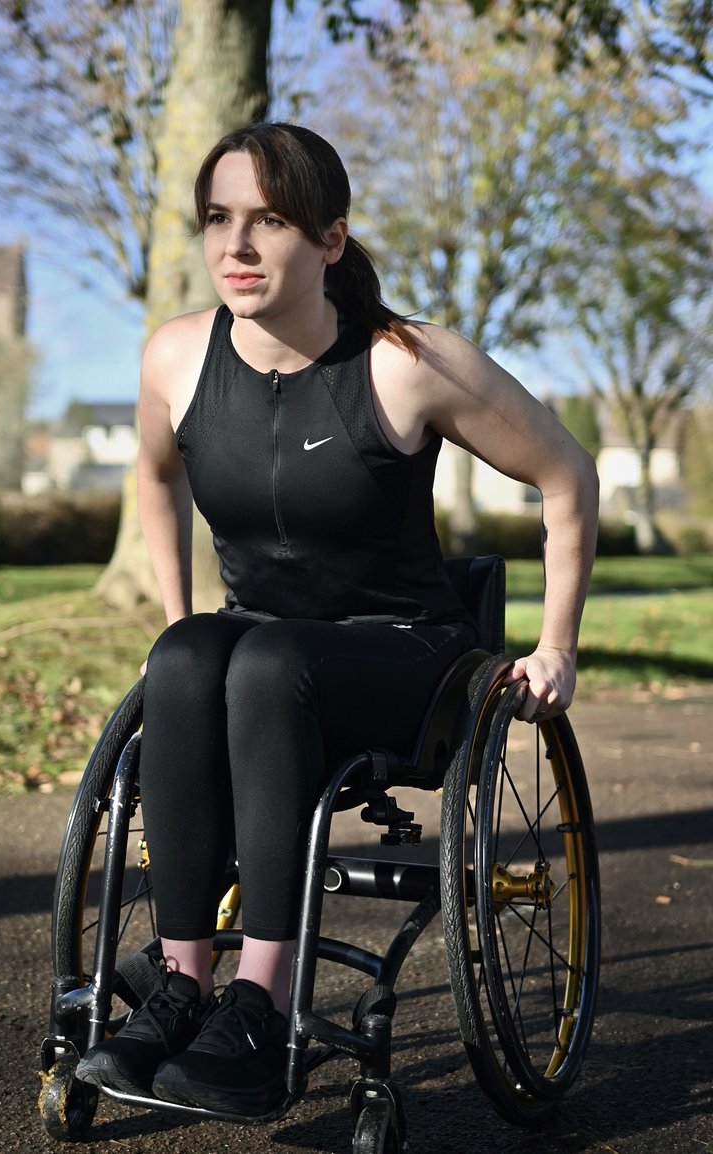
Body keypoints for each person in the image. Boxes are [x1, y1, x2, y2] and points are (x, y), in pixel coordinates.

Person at [75, 121, 599, 1116]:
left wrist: (555, 644)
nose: (235, 245)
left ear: (328, 240)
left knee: (268, 661)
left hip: (404, 655)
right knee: (185, 654)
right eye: (217, 219)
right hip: (261, 642)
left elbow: (565, 473)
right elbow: (152, 474)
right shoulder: (176, 357)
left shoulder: (404, 362)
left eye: (268, 219)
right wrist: (182, 613)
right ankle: (181, 983)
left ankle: (262, 1003)